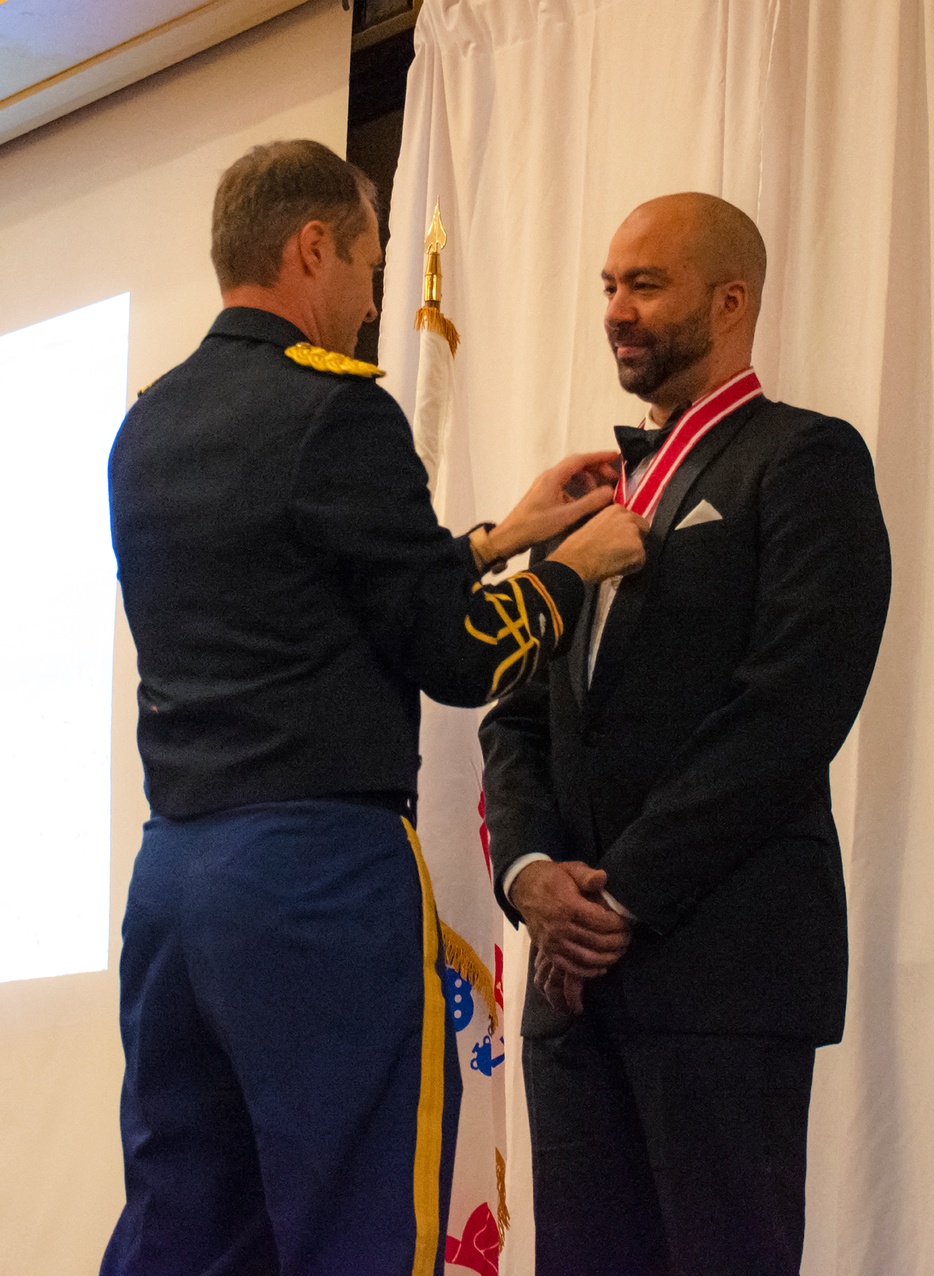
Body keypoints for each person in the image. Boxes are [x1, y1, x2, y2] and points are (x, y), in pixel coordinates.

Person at [101, 139, 647, 1276]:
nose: (367, 296)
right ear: (311, 247)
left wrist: (500, 536)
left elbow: (301, 584)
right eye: (367, 260)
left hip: (175, 884)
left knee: (189, 1228)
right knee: (355, 1220)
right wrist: (573, 566)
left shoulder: (146, 425)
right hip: (313, 874)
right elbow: (454, 652)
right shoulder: (338, 411)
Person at [480, 193, 891, 1275]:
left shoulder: (805, 460)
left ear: (731, 298)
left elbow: (790, 710)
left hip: (723, 975)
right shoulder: (581, 499)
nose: (615, 310)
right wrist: (528, 875)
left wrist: (620, 897)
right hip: (571, 994)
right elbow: (516, 708)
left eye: (644, 285)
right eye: (607, 286)